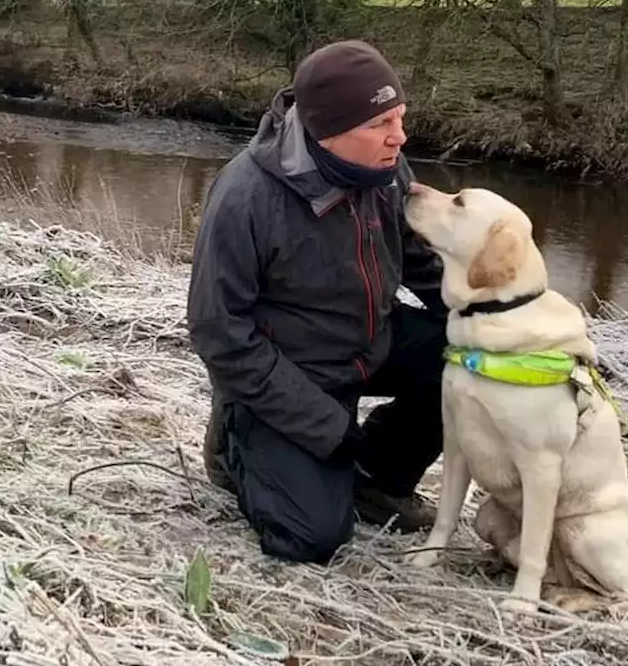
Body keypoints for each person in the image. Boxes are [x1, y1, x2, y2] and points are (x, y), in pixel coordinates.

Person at [186, 39, 450, 565]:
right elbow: (219, 333)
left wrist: (506, 325)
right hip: (290, 370)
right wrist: (327, 428)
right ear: (328, 132)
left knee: (466, 357)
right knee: (311, 538)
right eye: (380, 125)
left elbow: (424, 265)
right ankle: (233, 445)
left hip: (369, 340)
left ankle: (378, 480)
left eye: (399, 118)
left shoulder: (387, 171)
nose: (400, 136)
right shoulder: (246, 196)